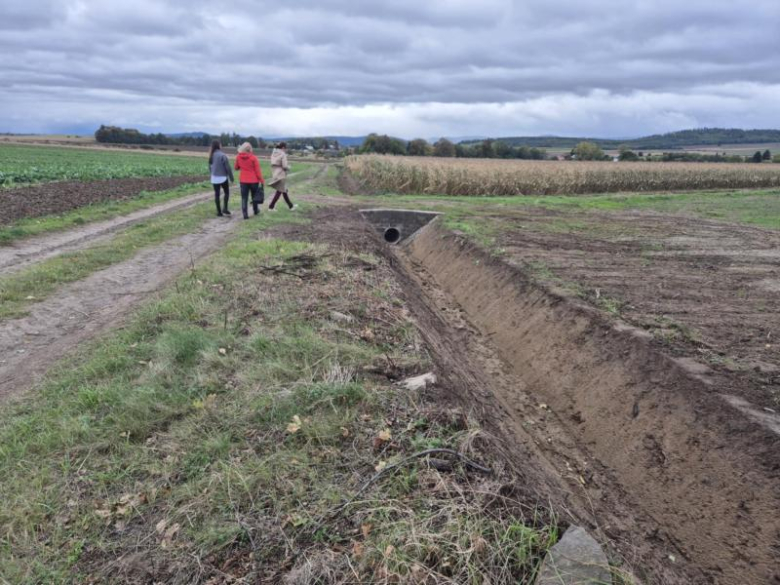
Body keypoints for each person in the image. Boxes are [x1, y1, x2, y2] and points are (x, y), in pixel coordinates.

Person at [234, 142, 265, 219]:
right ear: (250, 149)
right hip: (254, 181)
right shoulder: (254, 158)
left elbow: (236, 167)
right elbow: (258, 171)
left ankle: (245, 214)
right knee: (254, 196)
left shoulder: (238, 157)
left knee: (244, 197)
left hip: (243, 181)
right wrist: (262, 180)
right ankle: (255, 210)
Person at [208, 140, 234, 216]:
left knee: (217, 194)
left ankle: (219, 212)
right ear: (218, 145)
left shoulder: (211, 155)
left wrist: (212, 173)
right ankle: (225, 208)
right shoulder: (222, 155)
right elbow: (227, 167)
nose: (221, 145)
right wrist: (231, 177)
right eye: (220, 144)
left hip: (214, 178)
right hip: (223, 178)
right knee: (226, 193)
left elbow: (210, 167)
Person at [268, 142, 296, 211]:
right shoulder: (283, 154)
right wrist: (289, 167)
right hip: (281, 174)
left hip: (275, 173)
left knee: (284, 190)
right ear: (283, 148)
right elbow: (285, 166)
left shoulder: (273, 153)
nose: (285, 150)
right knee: (280, 191)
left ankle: (291, 206)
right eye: (285, 148)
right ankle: (271, 207)